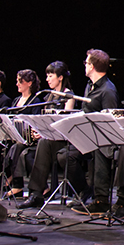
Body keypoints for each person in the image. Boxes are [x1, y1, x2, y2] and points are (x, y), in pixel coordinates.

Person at [69, 49, 123, 216]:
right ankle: (85, 189)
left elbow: (110, 121)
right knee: (65, 155)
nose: (85, 66)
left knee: (100, 150)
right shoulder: (90, 86)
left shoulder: (108, 90)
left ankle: (101, 199)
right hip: (88, 136)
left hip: (102, 139)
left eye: (86, 63)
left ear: (91, 66)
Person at [17, 61, 76, 209]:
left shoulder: (68, 95)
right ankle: (36, 193)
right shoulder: (48, 96)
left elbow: (65, 123)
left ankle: (37, 193)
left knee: (42, 144)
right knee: (26, 150)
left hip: (62, 140)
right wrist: (38, 130)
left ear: (60, 77)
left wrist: (45, 132)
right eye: (47, 76)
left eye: (51, 76)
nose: (47, 79)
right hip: (48, 139)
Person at [0, 69, 43, 198]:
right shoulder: (16, 100)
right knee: (5, 147)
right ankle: (7, 179)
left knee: (16, 148)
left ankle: (17, 185)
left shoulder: (35, 101)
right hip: (14, 137)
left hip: (30, 140)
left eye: (20, 81)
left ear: (29, 83)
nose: (17, 84)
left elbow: (35, 122)